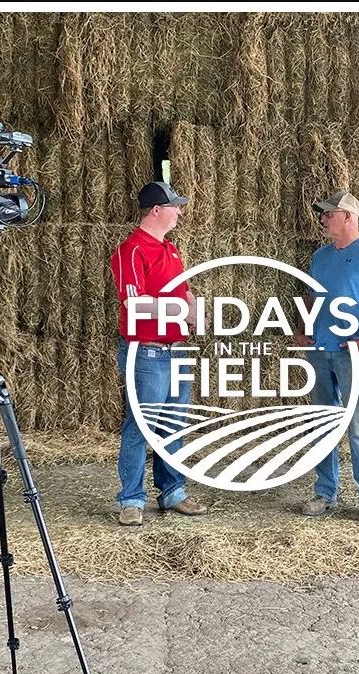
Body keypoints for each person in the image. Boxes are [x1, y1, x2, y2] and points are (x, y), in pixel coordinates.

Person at [108, 181, 210, 527]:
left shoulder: (172, 250)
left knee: (174, 425)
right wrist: (181, 311)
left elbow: (186, 290)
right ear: (156, 210)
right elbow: (134, 304)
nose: (179, 212)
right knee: (141, 426)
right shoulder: (131, 251)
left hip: (177, 351)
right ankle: (132, 499)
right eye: (175, 206)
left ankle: (173, 491)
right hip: (147, 354)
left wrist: (196, 312)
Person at [297, 190, 359, 523]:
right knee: (323, 421)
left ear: (348, 217)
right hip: (320, 351)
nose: (322, 219)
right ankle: (326, 492)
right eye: (322, 214)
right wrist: (304, 329)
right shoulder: (321, 257)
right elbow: (313, 300)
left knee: (357, 422)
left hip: (351, 354)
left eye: (328, 214)